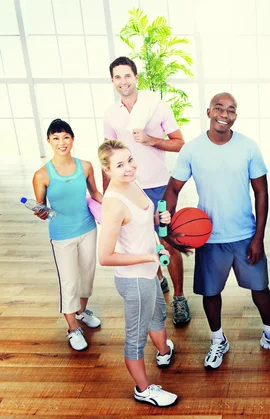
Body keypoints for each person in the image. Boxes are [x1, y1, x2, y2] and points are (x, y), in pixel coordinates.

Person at [162, 92, 270, 370]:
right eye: (219, 109)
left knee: (260, 288)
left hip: (245, 234)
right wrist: (166, 228)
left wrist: (258, 237)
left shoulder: (248, 147)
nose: (224, 114)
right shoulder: (192, 149)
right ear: (209, 111)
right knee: (211, 293)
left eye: (231, 110)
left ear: (236, 115)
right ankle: (218, 340)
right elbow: (172, 190)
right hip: (209, 237)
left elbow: (261, 191)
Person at [103, 56, 190, 325]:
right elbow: (108, 156)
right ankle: (158, 280)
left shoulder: (158, 106)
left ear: (136, 77)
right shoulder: (111, 114)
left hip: (159, 188)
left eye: (127, 76)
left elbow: (180, 144)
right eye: (117, 77)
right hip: (129, 191)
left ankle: (179, 297)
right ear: (113, 81)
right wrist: (107, 195)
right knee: (140, 242)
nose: (123, 81)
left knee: (169, 243)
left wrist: (150, 140)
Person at [97, 140, 177, 407]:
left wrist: (158, 220)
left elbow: (140, 224)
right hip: (134, 280)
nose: (129, 168)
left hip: (149, 271)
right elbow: (105, 257)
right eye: (119, 165)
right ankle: (144, 389)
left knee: (157, 313)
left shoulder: (133, 184)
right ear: (106, 170)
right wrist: (148, 256)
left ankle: (164, 351)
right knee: (135, 337)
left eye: (130, 160)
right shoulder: (113, 203)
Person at [31, 119, 102, 351]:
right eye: (56, 138)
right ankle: (72, 329)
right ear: (49, 141)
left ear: (72, 139)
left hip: (88, 228)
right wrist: (40, 212)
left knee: (87, 275)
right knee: (69, 281)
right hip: (62, 235)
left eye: (66, 137)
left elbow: (96, 193)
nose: (61, 142)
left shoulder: (86, 166)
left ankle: (81, 312)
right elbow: (41, 207)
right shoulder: (42, 175)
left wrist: (116, 207)